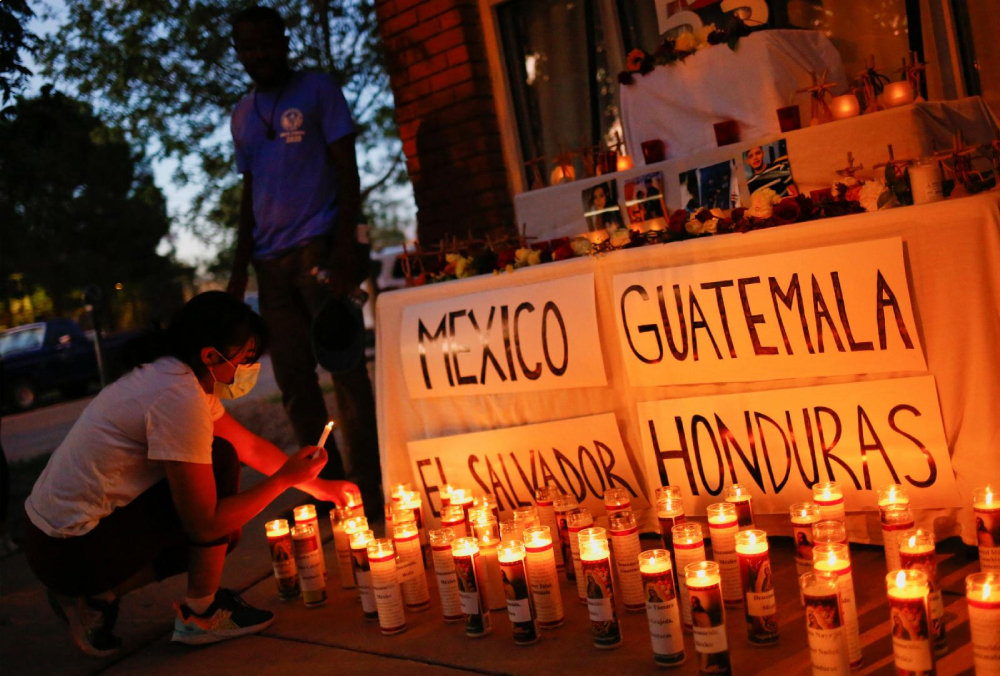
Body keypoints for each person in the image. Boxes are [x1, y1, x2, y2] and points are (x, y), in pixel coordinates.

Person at [22, 292, 357, 657]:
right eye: (245, 359)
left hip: (50, 540)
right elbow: (206, 526)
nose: (248, 370)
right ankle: (202, 615)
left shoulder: (173, 373)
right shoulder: (178, 396)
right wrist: (283, 481)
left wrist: (320, 487)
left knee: (224, 493)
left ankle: (95, 599)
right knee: (220, 474)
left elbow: (252, 447)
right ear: (211, 356)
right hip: (70, 553)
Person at [225, 6, 383, 517]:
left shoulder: (317, 90)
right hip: (270, 266)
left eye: (267, 43)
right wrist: (238, 269)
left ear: (284, 41)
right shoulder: (243, 115)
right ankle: (330, 489)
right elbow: (250, 193)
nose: (259, 54)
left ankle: (372, 486)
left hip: (320, 249)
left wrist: (345, 246)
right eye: (248, 47)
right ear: (239, 53)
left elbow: (347, 171)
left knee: (347, 371)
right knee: (294, 384)